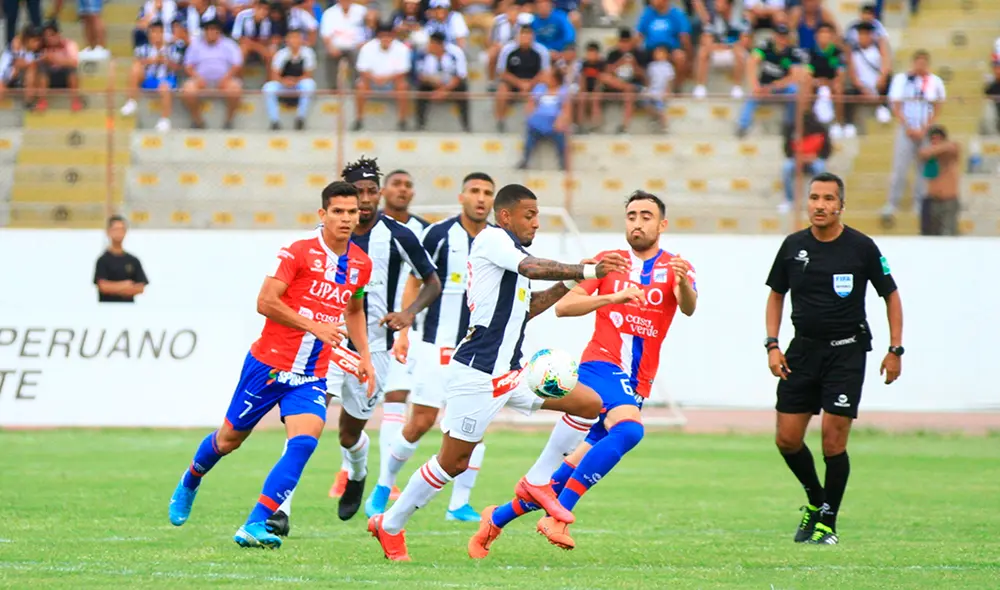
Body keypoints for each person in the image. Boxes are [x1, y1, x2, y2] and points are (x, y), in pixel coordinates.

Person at [367, 184, 632, 562]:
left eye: (538, 216)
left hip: (513, 373)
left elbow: (528, 307)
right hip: (477, 375)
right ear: (505, 216)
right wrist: (588, 269)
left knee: (590, 404)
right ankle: (390, 524)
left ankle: (537, 481)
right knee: (452, 463)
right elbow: (531, 267)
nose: (537, 223)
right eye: (530, 215)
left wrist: (573, 281)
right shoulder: (493, 240)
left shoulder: (513, 255)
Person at [467, 191, 697, 555]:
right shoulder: (611, 263)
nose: (637, 223)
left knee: (561, 479)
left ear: (662, 224)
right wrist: (611, 298)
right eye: (632, 216)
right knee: (631, 430)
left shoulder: (677, 267)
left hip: (637, 382)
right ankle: (559, 518)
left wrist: (683, 283)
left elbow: (688, 309)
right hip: (602, 365)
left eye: (646, 216)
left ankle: (495, 519)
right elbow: (565, 307)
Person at [167, 181, 375, 548]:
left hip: (311, 373)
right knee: (229, 440)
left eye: (352, 212)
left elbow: (354, 311)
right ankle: (190, 480)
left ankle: (255, 523)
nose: (345, 218)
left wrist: (365, 358)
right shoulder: (298, 251)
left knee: (304, 443)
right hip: (268, 365)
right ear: (322, 214)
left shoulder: (360, 263)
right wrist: (315, 326)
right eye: (338, 212)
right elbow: (265, 302)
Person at [267, 157, 442, 535]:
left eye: (370, 191)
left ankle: (357, 470)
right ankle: (279, 511)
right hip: (325, 347)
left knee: (350, 433)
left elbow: (432, 281)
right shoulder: (320, 240)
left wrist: (408, 313)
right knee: (304, 429)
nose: (364, 200)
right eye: (357, 192)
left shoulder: (399, 234)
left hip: (374, 349)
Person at [765, 171, 903, 545]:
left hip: (846, 351)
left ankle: (829, 522)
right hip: (802, 351)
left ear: (841, 205)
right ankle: (815, 498)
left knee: (833, 443)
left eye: (828, 199)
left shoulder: (861, 247)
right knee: (787, 439)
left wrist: (895, 349)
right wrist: (772, 344)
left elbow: (890, 294)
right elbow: (776, 294)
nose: (820, 205)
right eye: (814, 198)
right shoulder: (793, 246)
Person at [365, 172, 496, 522]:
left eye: (487, 193)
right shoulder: (439, 234)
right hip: (437, 345)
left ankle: (458, 505)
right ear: (461, 196)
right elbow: (416, 280)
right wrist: (406, 329)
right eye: (474, 191)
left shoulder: (499, 241)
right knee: (421, 421)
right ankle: (383, 484)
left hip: (480, 353)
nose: (481, 198)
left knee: (474, 424)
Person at [362, 168, 430, 509]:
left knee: (397, 399)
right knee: (355, 412)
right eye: (396, 184)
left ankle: (383, 484)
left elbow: (426, 276)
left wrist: (407, 325)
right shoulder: (357, 226)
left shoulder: (422, 231)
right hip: (360, 329)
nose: (402, 190)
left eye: (408, 185)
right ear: (382, 191)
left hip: (405, 328)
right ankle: (352, 467)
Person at [882, 50, 945, 225]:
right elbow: (895, 104)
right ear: (913, 63)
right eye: (918, 62)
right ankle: (892, 203)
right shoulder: (901, 80)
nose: (921, 66)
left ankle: (919, 204)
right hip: (906, 129)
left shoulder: (934, 81)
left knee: (922, 169)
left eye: (924, 63)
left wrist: (926, 127)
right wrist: (908, 126)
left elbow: (938, 104)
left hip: (925, 129)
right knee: (899, 167)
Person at [738, 24, 801, 138]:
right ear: (774, 36)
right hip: (764, 86)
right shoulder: (766, 46)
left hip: (781, 88)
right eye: (779, 36)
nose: (781, 40)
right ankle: (743, 125)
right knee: (752, 95)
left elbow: (795, 76)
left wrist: (774, 87)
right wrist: (755, 85)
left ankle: (789, 125)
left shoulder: (793, 52)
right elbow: (752, 62)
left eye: (784, 36)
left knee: (794, 91)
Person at [180, 18, 243, 129]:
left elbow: (237, 64)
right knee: (188, 90)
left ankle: (228, 121)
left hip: (224, 80)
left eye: (214, 30)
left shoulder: (229, 45)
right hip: (200, 80)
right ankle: (198, 121)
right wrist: (197, 77)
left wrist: (226, 78)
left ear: (219, 32)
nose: (211, 33)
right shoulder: (195, 45)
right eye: (208, 30)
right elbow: (188, 66)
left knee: (235, 89)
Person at [121, 20, 182, 133]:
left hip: (166, 79)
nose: (156, 35)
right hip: (149, 79)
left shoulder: (172, 48)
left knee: (164, 87)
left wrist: (166, 61)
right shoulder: (142, 49)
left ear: (163, 33)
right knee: (135, 68)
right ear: (149, 34)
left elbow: (178, 67)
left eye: (159, 32)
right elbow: (137, 62)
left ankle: (164, 120)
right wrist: (152, 61)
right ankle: (131, 102)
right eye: (153, 32)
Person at [353, 20, 412, 131]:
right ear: (378, 37)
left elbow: (403, 71)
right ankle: (359, 119)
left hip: (392, 82)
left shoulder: (402, 49)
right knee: (360, 85)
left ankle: (402, 120)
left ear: (393, 36)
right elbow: (362, 69)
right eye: (383, 36)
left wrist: (386, 78)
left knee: (403, 86)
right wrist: (375, 78)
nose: (386, 39)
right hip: (371, 81)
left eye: (389, 36)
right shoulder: (367, 48)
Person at [261, 27, 317, 131]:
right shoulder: (281, 54)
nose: (295, 41)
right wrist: (284, 81)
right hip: (284, 85)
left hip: (299, 84)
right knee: (268, 88)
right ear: (287, 40)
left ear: (302, 39)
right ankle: (275, 121)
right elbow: (274, 74)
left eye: (297, 38)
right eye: (292, 38)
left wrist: (295, 81)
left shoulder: (308, 53)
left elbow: (308, 74)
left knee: (309, 84)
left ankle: (300, 118)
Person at [414, 31, 470, 132]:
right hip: (433, 83)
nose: (428, 46)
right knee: (421, 90)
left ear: (438, 44)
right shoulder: (423, 53)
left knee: (463, 88)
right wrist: (437, 85)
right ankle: (420, 125)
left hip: (451, 84)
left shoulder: (456, 53)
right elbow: (420, 76)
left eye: (431, 43)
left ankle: (466, 126)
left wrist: (444, 91)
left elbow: (460, 76)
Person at [517, 67, 572, 170]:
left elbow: (566, 109)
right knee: (530, 136)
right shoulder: (539, 88)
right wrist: (531, 117)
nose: (545, 78)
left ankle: (563, 164)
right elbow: (531, 104)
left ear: (555, 79)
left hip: (555, 121)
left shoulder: (563, 91)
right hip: (539, 120)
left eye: (548, 76)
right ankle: (525, 160)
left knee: (561, 138)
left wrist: (560, 121)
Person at [780, 110, 830, 214]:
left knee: (820, 169)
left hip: (815, 159)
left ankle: (819, 201)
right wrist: (799, 157)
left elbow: (827, 150)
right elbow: (787, 150)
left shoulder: (821, 130)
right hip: (797, 159)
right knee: (786, 168)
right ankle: (790, 201)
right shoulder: (792, 129)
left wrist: (816, 156)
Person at [93, 215, 150, 303]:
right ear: (109, 232)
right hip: (106, 310)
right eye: (116, 229)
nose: (119, 233)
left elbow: (140, 287)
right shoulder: (103, 260)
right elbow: (103, 286)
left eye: (122, 229)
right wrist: (125, 285)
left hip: (128, 311)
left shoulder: (133, 260)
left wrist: (117, 289)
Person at [917, 125, 960, 236]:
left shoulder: (950, 151)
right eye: (932, 139)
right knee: (931, 237)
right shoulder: (928, 155)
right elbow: (923, 154)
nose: (935, 142)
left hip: (948, 201)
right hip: (932, 201)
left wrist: (936, 148)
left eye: (938, 139)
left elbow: (952, 147)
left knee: (948, 235)